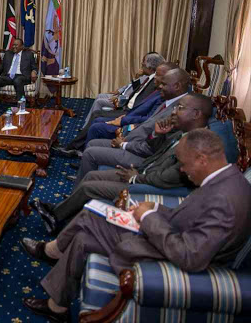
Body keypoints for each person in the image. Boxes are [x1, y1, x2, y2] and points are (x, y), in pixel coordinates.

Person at [21, 129, 251, 322]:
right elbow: (191, 218)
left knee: (89, 217)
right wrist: (157, 210)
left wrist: (149, 218)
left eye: (183, 163)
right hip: (169, 236)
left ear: (202, 159)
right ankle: (57, 306)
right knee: (83, 235)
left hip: (168, 256)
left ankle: (52, 250)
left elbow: (190, 256)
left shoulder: (225, 199)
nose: (181, 169)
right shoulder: (224, 180)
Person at [32, 93, 213, 234]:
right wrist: (157, 134)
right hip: (143, 170)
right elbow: (157, 151)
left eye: (179, 108)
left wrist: (136, 178)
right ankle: (61, 212)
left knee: (89, 186)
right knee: (91, 175)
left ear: (196, 114)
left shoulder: (198, 145)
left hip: (145, 185)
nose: (174, 111)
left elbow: (170, 177)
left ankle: (56, 215)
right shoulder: (181, 131)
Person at [54, 60, 173, 157]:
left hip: (130, 120)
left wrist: (123, 120)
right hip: (128, 111)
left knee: (97, 121)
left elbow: (147, 119)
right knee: (97, 115)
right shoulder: (153, 84)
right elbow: (135, 95)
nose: (155, 78)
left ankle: (80, 151)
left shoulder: (161, 93)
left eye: (158, 75)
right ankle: (78, 147)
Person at [81, 52, 165, 127]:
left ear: (150, 68)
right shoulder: (145, 77)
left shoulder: (150, 81)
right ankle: (87, 124)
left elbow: (136, 97)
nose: (141, 64)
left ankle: (87, 125)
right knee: (100, 96)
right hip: (123, 97)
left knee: (99, 103)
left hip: (125, 104)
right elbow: (130, 87)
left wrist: (119, 98)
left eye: (143, 64)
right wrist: (119, 91)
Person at [0, 38, 37, 117]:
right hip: (8, 76)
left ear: (22, 47)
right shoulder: (8, 54)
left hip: (22, 76)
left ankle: (20, 107)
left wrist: (34, 72)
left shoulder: (29, 54)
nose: (14, 47)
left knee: (18, 80)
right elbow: (1, 67)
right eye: (13, 45)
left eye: (16, 45)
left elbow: (34, 67)